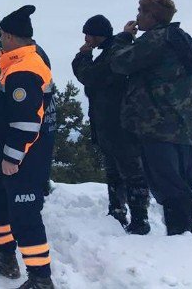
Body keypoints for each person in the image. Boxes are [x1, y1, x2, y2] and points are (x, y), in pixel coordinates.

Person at [111, 0, 192, 236]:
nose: (137, 16)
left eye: (142, 11)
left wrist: (124, 38)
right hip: (187, 126)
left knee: (168, 187)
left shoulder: (155, 40)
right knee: (182, 184)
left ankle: (183, 237)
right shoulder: (183, 39)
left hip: (158, 126)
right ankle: (190, 235)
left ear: (154, 16)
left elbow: (121, 64)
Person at [0, 5, 56, 289]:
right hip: (7, 154)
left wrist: (12, 156)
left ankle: (40, 278)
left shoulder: (24, 70)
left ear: (9, 36)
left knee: (24, 215)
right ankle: (5, 257)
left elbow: (26, 121)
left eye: (1, 35)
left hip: (24, 156)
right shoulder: (18, 62)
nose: (0, 40)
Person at [72, 15, 150, 234]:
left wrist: (83, 55)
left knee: (129, 171)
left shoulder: (112, 54)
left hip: (117, 121)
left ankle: (138, 220)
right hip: (110, 121)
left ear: (97, 35)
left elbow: (89, 76)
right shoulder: (113, 50)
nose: (86, 39)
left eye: (88, 34)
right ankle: (118, 212)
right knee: (116, 170)